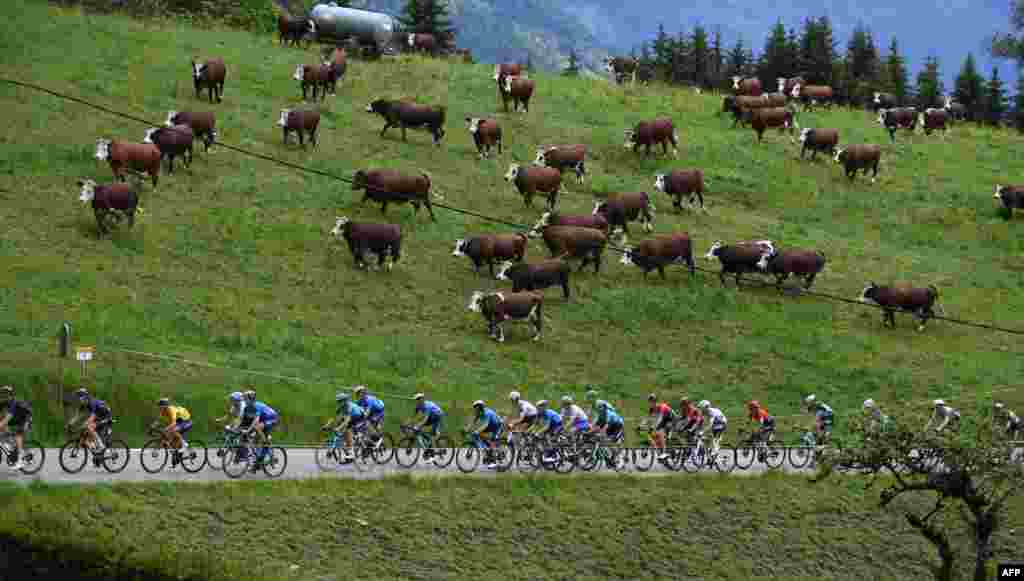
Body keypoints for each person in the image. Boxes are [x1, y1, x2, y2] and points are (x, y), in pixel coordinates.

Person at [322, 392, 366, 462]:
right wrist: (327, 425)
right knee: (342, 427)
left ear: (345, 400)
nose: (339, 403)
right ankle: (351, 445)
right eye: (338, 401)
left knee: (347, 430)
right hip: (353, 418)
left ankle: (351, 452)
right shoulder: (341, 406)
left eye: (340, 401)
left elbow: (347, 421)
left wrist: (339, 428)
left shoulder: (349, 406)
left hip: (360, 417)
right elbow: (333, 417)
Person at [67, 387, 113, 453]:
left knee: (89, 427)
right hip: (99, 416)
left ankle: (102, 446)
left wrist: (86, 423)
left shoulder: (92, 402)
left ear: (85, 397)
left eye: (80, 397)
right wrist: (70, 424)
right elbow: (77, 416)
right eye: (78, 397)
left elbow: (92, 416)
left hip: (106, 416)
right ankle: (97, 452)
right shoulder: (83, 405)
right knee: (87, 434)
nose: (79, 399)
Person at [240, 390, 279, 466]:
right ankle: (260, 458)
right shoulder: (247, 407)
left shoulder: (256, 406)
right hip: (263, 419)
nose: (244, 401)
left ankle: (265, 442)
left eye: (245, 399)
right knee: (255, 440)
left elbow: (256, 420)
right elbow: (243, 420)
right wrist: (238, 429)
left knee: (257, 427)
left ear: (251, 399)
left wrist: (247, 430)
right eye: (243, 399)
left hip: (271, 418)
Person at [0, 386, 32, 470]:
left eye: (6, 394)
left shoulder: (14, 403)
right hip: (17, 418)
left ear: (11, 395)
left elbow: (8, 418)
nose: (4, 396)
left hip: (26, 417)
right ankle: (11, 443)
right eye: (3, 394)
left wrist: (2, 424)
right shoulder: (4, 402)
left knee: (18, 434)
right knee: (2, 421)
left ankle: (20, 460)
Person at [468, 400, 504, 469]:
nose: (475, 409)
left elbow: (485, 425)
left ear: (481, 407)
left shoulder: (487, 413)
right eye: (475, 407)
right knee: (480, 435)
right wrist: (467, 429)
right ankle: (487, 450)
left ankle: (494, 462)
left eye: (477, 407)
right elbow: (473, 421)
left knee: (493, 441)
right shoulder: (478, 412)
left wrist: (477, 431)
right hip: (491, 426)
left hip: (498, 426)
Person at [410, 393, 445, 463]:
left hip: (437, 416)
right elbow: (413, 417)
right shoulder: (418, 406)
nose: (416, 402)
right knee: (419, 427)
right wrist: (409, 424)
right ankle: (429, 444)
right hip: (431, 416)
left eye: (418, 400)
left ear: (422, 400)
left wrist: (417, 426)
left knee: (432, 434)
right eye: (416, 400)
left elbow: (425, 419)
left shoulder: (427, 406)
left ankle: (433, 456)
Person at [648, 394, 676, 461]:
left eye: (652, 402)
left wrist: (654, 426)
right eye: (650, 402)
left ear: (655, 402)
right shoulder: (651, 409)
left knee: (661, 431)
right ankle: (661, 448)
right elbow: (648, 419)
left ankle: (664, 452)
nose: (651, 403)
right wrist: (641, 426)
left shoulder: (662, 407)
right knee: (654, 433)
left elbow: (660, 418)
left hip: (672, 418)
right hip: (664, 420)